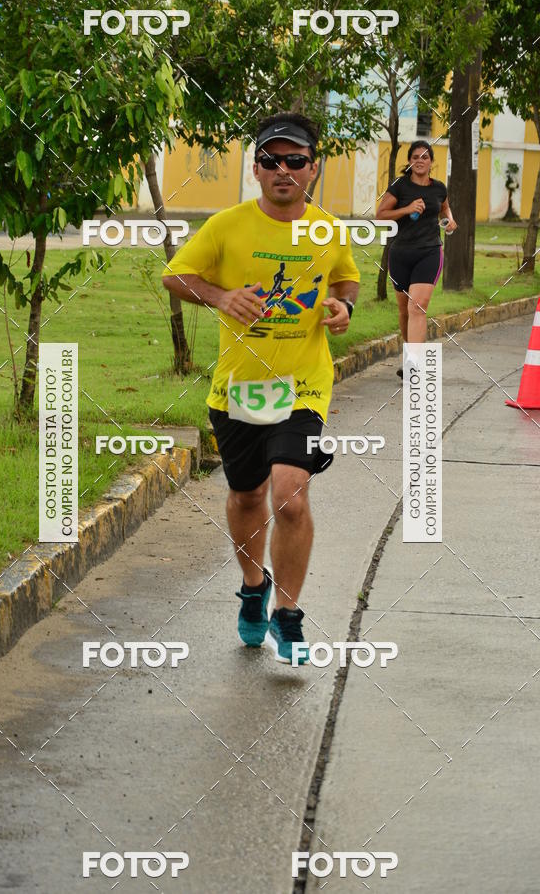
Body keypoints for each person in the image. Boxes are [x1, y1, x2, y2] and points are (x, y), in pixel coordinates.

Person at [161, 112, 360, 663]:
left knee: (290, 496)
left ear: (312, 169)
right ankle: (254, 587)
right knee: (247, 495)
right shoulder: (226, 226)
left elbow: (346, 279)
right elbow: (175, 277)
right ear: (256, 169)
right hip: (239, 390)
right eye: (271, 160)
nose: (283, 170)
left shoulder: (328, 231)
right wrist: (220, 297)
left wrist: (344, 306)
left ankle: (288, 617)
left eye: (295, 161)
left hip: (304, 386)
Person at [375, 141, 457, 377]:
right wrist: (406, 208)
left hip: (429, 252)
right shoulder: (400, 187)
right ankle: (410, 352)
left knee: (417, 307)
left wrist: (449, 220)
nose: (420, 160)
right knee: (404, 311)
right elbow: (381, 216)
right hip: (400, 253)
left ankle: (414, 363)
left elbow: (444, 209)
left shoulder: (439, 188)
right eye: (415, 157)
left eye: (424, 157)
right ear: (410, 161)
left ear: (431, 162)